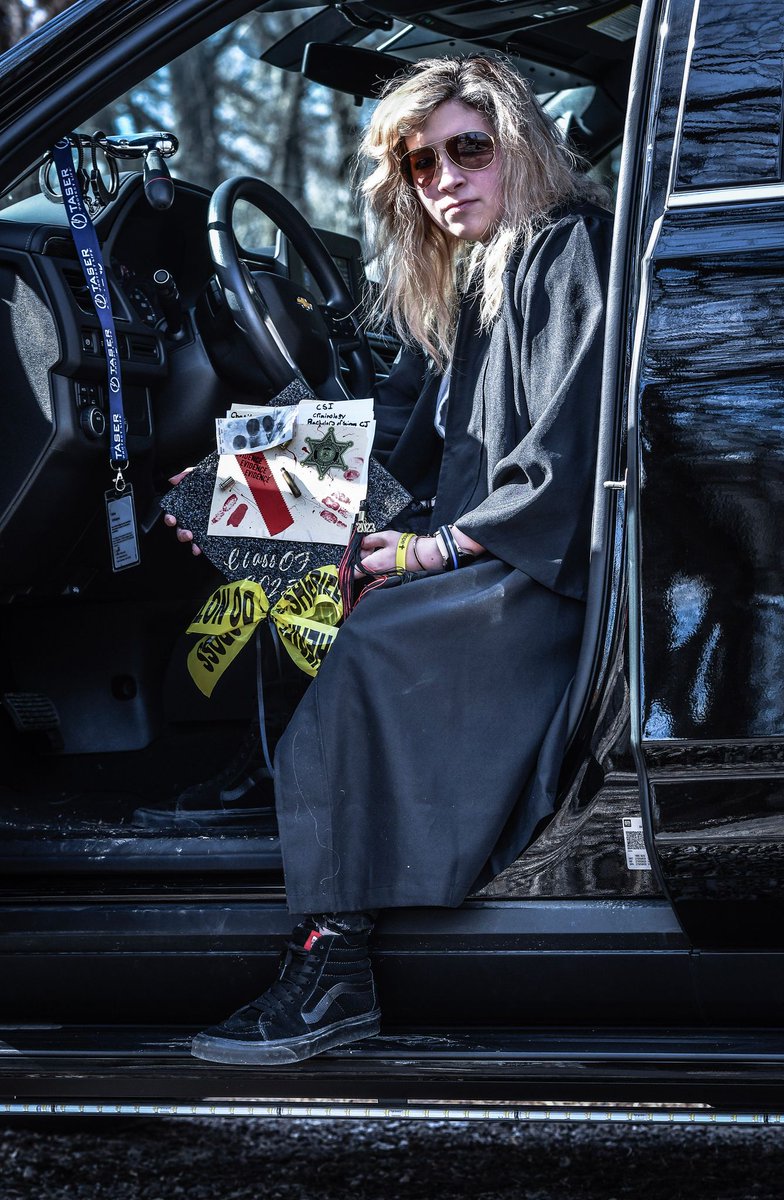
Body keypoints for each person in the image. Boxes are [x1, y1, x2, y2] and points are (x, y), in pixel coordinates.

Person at [166, 54, 613, 1066]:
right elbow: (395, 431)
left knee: (368, 641)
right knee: (248, 525)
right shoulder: (460, 276)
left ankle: (334, 963)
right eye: (419, 164)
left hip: (528, 568)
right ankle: (281, 762)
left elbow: (561, 466)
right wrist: (246, 488)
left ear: (520, 146)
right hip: (468, 540)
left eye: (469, 149)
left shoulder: (565, 248)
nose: (445, 177)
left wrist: (420, 550)